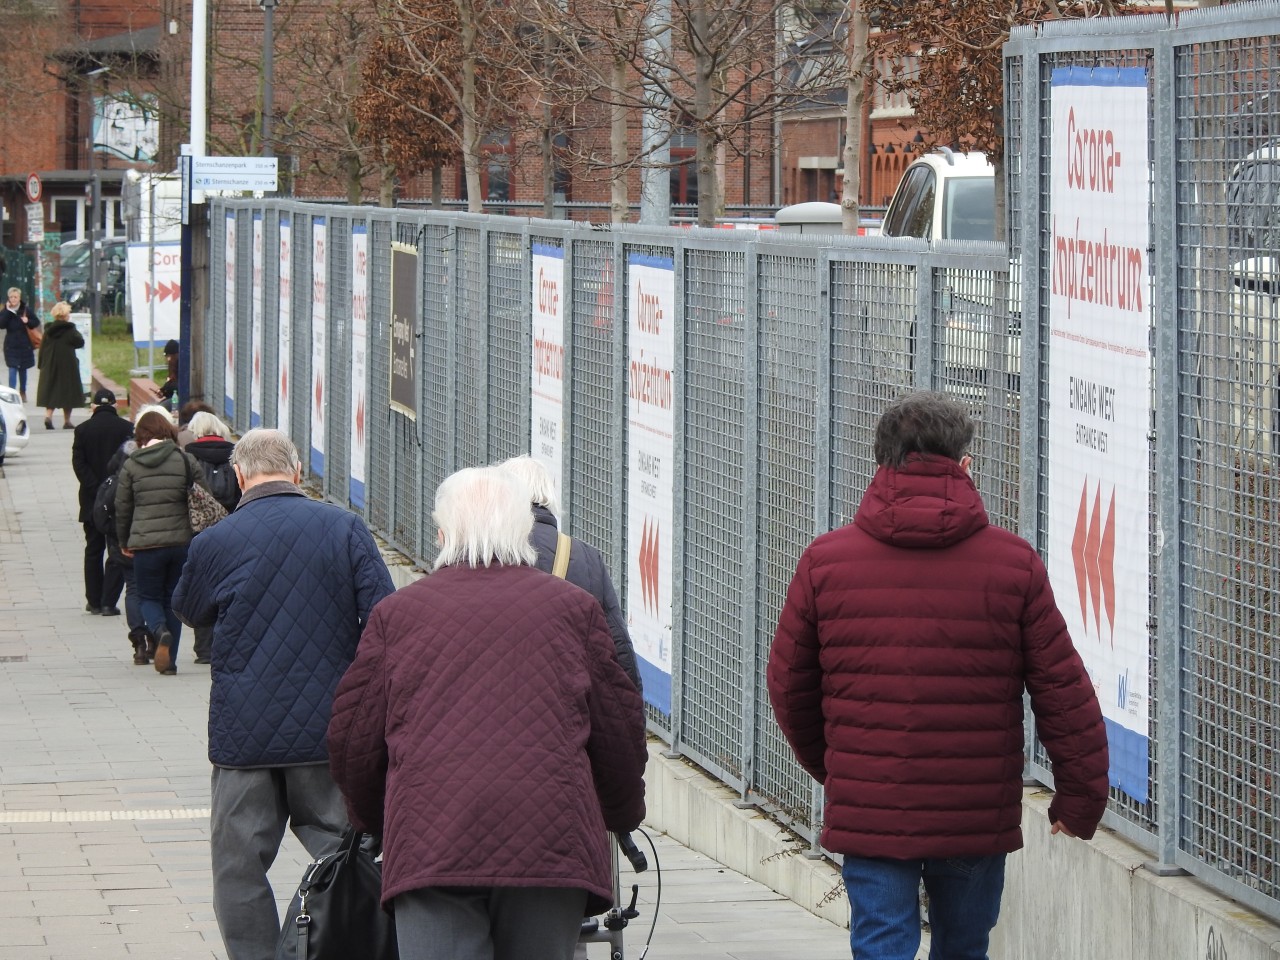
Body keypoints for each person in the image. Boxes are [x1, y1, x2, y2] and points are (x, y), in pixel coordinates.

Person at [767, 391, 1109, 960]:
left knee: (881, 946)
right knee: (964, 947)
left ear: (881, 465)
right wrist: (1081, 796)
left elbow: (787, 685)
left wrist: (838, 766)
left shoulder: (826, 562)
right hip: (973, 812)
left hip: (871, 809)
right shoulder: (1013, 564)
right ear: (964, 465)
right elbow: (1062, 691)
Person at [328, 466, 648, 960]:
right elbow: (619, 733)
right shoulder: (574, 610)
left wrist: (378, 822)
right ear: (523, 532)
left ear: (441, 534)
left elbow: (353, 740)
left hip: (432, 844)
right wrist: (622, 813)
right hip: (550, 840)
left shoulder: (398, 615)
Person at [171, 428, 395, 960]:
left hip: (242, 739)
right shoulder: (344, 528)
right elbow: (385, 616)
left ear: (241, 476)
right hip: (328, 732)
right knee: (346, 852)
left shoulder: (216, 541)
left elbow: (188, 609)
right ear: (297, 472)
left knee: (239, 867)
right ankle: (343, 945)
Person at [500, 454, 642, 693]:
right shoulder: (584, 555)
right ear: (548, 495)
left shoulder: (486, 551)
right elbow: (614, 636)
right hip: (565, 694)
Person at [115, 410, 208, 676]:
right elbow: (204, 496)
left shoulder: (132, 465)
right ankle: (170, 663)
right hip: (181, 542)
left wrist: (124, 541)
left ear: (141, 435)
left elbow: (123, 507)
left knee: (147, 596)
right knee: (171, 600)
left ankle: (158, 630)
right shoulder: (184, 459)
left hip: (146, 543)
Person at [183, 410, 239, 665]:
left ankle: (203, 649)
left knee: (202, 587)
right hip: (233, 529)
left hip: (199, 531)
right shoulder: (235, 455)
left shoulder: (188, 455)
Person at [71, 389, 133, 616]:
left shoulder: (83, 430)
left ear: (94, 407)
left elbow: (79, 464)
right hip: (119, 499)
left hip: (91, 501)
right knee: (116, 552)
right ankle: (108, 602)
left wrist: (96, 488)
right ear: (115, 405)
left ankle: (94, 600)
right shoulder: (127, 429)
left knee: (93, 550)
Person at [36, 300, 85, 429]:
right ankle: (67, 421)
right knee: (68, 391)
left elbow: (42, 348)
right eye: (68, 312)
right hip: (67, 364)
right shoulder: (70, 329)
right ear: (64, 315)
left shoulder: (48, 330)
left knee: (51, 390)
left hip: (50, 363)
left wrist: (41, 364)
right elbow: (80, 342)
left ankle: (48, 416)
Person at [0, 287, 39, 401]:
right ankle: (12, 392)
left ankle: (23, 391)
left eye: (15, 297)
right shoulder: (5, 310)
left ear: (19, 298)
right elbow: (1, 324)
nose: (13, 299)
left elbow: (36, 322)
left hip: (24, 344)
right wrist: (8, 312)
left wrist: (28, 321)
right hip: (11, 344)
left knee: (23, 369)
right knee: (12, 368)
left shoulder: (26, 309)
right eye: (11, 297)